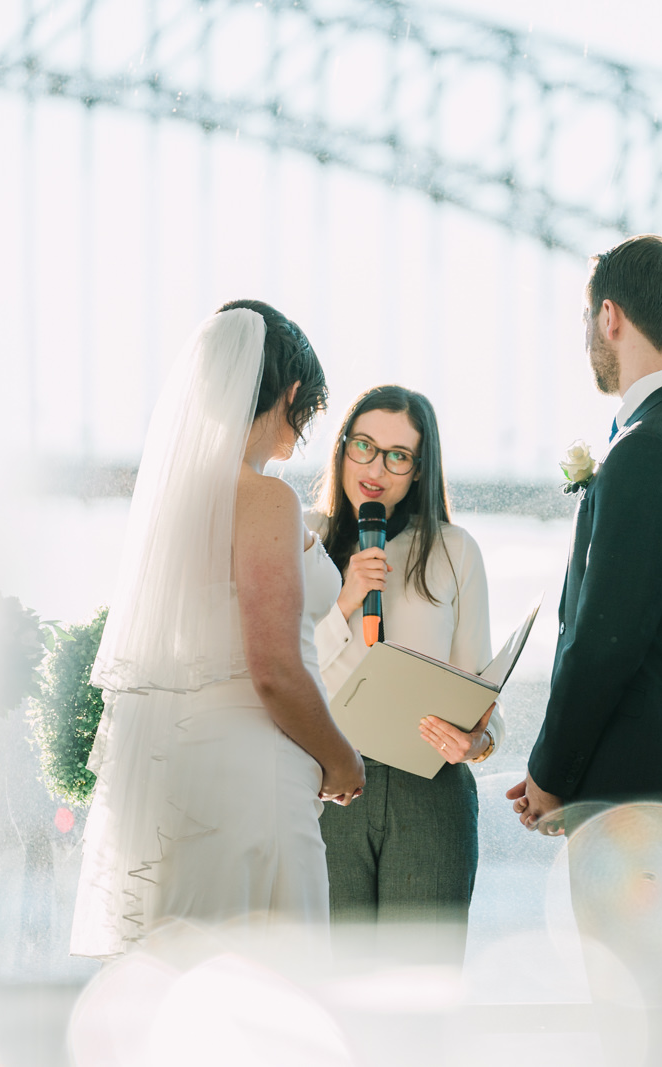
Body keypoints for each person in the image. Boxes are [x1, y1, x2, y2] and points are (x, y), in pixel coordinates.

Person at [507, 234, 662, 1067]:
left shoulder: (647, 446)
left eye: (587, 317)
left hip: (641, 802)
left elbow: (608, 637)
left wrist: (550, 772)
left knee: (638, 1032)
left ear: (610, 316)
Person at [72, 300, 365, 960]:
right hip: (253, 785)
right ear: (290, 393)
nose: (300, 437)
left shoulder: (175, 505)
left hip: (184, 780)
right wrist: (342, 759)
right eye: (308, 413)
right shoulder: (264, 497)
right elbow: (274, 668)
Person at [307, 385, 504, 923]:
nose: (376, 467)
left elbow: (482, 693)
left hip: (430, 790)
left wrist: (478, 741)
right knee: (333, 986)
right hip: (323, 781)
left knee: (420, 985)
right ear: (342, 447)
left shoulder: (454, 549)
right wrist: (344, 600)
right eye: (363, 445)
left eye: (398, 456)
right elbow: (277, 664)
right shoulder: (301, 536)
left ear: (419, 470)